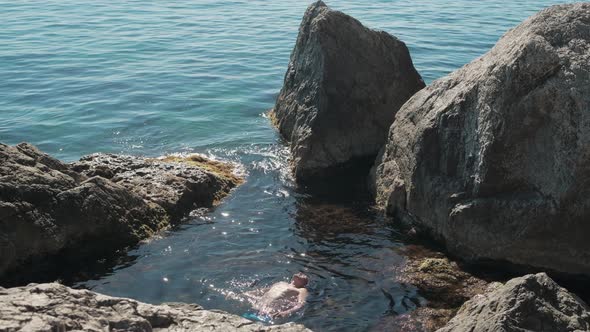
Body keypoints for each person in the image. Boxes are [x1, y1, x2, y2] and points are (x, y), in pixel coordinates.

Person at [245, 273, 309, 320]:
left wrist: (285, 312)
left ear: (304, 283)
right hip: (257, 307)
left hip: (269, 314)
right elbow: (263, 291)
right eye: (299, 273)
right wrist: (248, 293)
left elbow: (301, 304)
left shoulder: (302, 289)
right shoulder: (281, 283)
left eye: (304, 275)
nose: (301, 273)